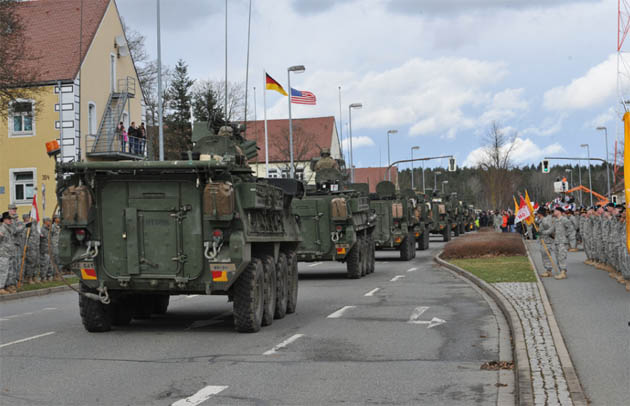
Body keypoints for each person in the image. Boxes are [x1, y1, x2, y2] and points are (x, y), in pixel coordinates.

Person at [542, 206, 572, 280]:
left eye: (555, 211)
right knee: (558, 257)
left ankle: (563, 272)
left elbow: (571, 229)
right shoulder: (555, 220)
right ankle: (561, 271)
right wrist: (542, 232)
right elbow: (551, 230)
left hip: (563, 242)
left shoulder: (564, 220)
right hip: (557, 242)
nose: (554, 212)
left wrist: (565, 236)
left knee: (562, 257)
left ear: (559, 211)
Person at [536, 207, 554, 277]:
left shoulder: (545, 220)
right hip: (543, 240)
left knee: (546, 256)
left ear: (540, 213)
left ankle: (549, 270)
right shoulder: (541, 220)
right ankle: (547, 270)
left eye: (537, 213)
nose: (537, 214)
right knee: (544, 255)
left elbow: (550, 229)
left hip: (547, 241)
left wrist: (542, 232)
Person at [0, 212, 14, 294]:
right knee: (3, 271)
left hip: (9, 253)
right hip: (3, 253)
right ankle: (1, 287)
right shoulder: (2, 228)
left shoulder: (9, 228)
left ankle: (7, 286)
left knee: (9, 271)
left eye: (10, 219)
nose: (10, 220)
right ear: (4, 220)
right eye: (8, 219)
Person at [39, 217, 53, 282]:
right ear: (45, 222)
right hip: (44, 250)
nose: (50, 222)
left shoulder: (49, 229)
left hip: (49, 250)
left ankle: (49, 276)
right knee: (44, 264)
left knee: (50, 264)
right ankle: (43, 277)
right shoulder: (42, 229)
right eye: (49, 221)